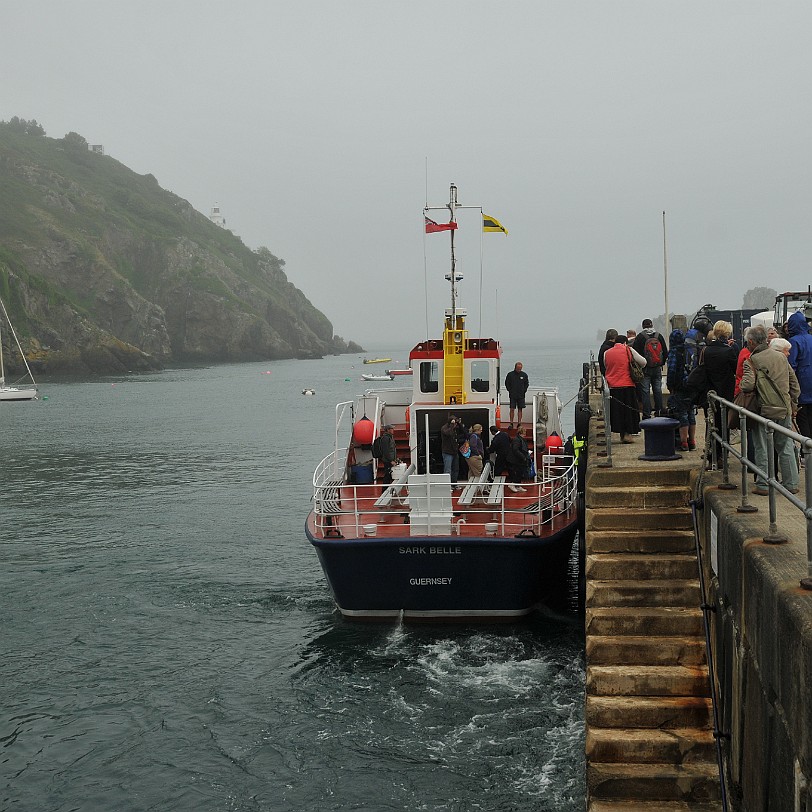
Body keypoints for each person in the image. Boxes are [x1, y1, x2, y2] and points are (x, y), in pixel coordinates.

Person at [740, 324, 800, 495]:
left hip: (764, 410)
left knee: (762, 447)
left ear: (751, 342)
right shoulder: (781, 357)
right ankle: (791, 484)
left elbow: (747, 385)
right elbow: (794, 383)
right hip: (783, 408)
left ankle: (763, 484)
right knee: (785, 445)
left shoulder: (752, 361)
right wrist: (793, 403)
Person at [702, 320, 738, 459]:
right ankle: (723, 453)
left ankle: (711, 451)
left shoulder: (706, 350)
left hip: (710, 392)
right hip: (725, 391)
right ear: (727, 333)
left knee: (711, 422)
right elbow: (735, 369)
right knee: (724, 424)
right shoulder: (729, 350)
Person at [603, 335, 646, 442]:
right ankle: (628, 434)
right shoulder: (628, 349)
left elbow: (605, 365)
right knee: (629, 412)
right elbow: (643, 362)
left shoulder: (607, 353)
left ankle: (621, 433)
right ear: (625, 342)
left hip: (612, 386)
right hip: (627, 385)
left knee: (617, 412)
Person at [665, 329, 696, 451]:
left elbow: (672, 371)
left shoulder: (674, 352)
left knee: (682, 413)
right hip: (691, 385)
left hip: (679, 386)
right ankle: (692, 440)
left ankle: (684, 443)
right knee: (691, 412)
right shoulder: (689, 350)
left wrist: (670, 385)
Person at [633, 318, 669, 419]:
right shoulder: (659, 336)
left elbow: (635, 354)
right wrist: (660, 363)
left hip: (645, 369)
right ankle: (659, 411)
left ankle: (647, 414)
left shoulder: (640, 337)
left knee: (645, 391)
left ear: (643, 326)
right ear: (652, 325)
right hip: (657, 368)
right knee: (657, 390)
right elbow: (665, 352)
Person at [786, 310, 812, 441]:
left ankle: (807, 450)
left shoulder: (794, 341)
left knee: (803, 419)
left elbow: (791, 366)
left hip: (801, 384)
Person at [504, 362, 529, 428]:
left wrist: (524, 391)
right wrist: (510, 390)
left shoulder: (524, 375)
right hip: (513, 395)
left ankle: (519, 423)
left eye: (520, 368)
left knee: (520, 409)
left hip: (521, 395)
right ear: (515, 367)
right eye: (518, 368)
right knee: (512, 409)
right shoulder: (510, 374)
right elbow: (507, 383)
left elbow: (526, 384)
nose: (519, 370)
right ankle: (511, 423)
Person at [440, 414, 462, 487]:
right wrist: (452, 425)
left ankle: (454, 483)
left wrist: (459, 423)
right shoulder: (444, 428)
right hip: (447, 452)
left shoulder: (455, 428)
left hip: (454, 452)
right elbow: (448, 433)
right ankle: (447, 485)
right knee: (448, 470)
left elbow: (463, 431)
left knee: (455, 469)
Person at [506, 427, 529, 493]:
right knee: (517, 472)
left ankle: (518, 485)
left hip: (518, 459)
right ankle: (513, 484)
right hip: (515, 460)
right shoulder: (517, 440)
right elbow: (515, 449)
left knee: (519, 472)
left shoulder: (520, 439)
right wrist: (523, 456)